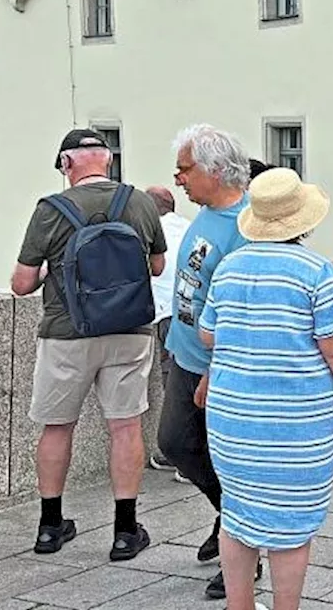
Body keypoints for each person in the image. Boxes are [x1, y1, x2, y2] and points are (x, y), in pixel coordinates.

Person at [199, 168, 333, 610]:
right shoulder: (315, 271)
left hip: (232, 419)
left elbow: (208, 334)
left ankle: (240, 605)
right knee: (290, 527)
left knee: (237, 515)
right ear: (303, 220)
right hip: (294, 425)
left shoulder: (229, 267)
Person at [10, 129, 167, 560]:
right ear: (108, 161)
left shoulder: (50, 209)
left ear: (66, 165)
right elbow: (156, 266)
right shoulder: (139, 202)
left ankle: (49, 527)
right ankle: (125, 531)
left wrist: (51, 274)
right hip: (129, 332)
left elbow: (21, 284)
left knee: (57, 426)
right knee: (125, 426)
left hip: (67, 333)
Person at [156, 124, 258, 600]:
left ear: (215, 171)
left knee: (226, 458)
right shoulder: (207, 213)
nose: (178, 179)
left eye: (185, 168)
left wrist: (216, 371)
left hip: (216, 365)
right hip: (186, 351)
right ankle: (231, 520)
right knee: (175, 444)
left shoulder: (245, 226)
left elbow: (240, 309)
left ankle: (243, 547)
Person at [143, 185, 192, 479]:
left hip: (168, 314)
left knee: (174, 384)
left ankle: (181, 456)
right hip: (195, 312)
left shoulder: (148, 232)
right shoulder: (190, 228)